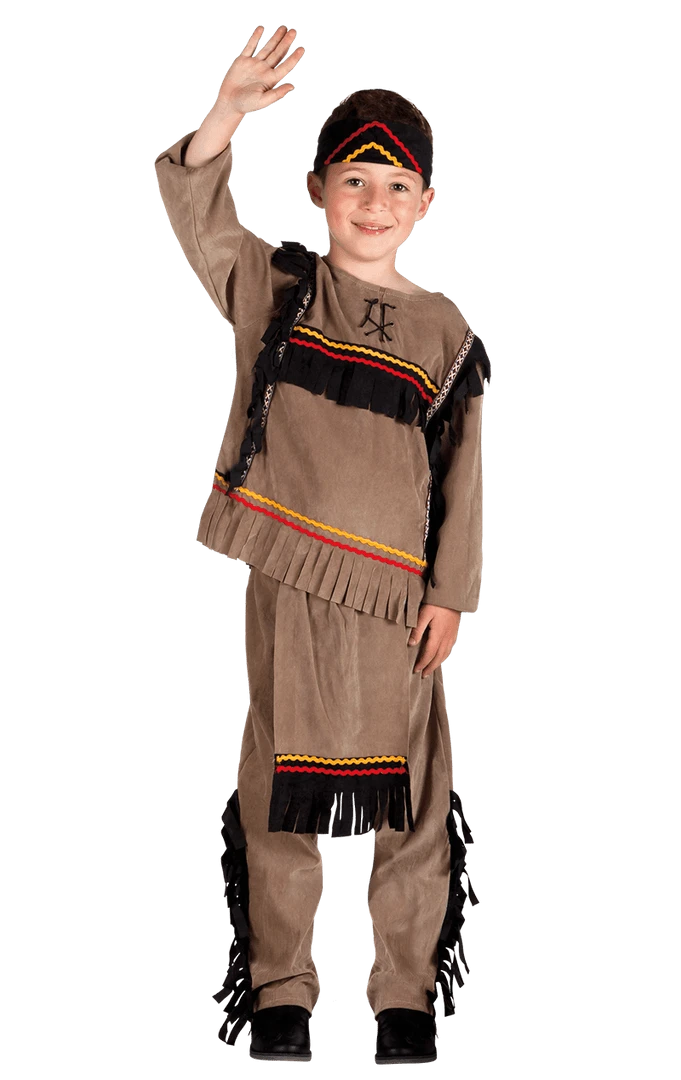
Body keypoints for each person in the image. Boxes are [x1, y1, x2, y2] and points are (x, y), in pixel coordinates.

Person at [154, 23, 488, 1065]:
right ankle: (280, 989)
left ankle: (403, 995)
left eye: (396, 187)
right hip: (291, 574)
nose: (373, 204)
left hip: (398, 597)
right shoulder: (278, 289)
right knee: (277, 777)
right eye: (353, 181)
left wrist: (451, 594)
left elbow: (466, 475)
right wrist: (225, 113)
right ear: (316, 189)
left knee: (411, 792)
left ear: (426, 203)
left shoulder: (446, 335)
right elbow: (201, 220)